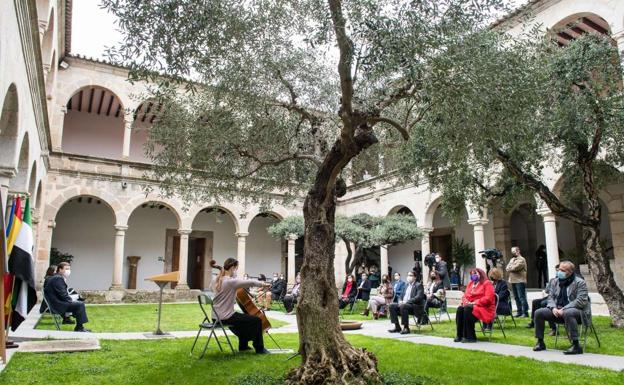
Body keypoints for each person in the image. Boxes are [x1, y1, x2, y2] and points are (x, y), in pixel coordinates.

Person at [210, 259, 271, 354]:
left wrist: (227, 273)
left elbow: (212, 288)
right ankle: (260, 349)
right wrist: (263, 284)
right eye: (236, 269)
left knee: (243, 322)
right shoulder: (230, 282)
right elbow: (251, 282)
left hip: (215, 317)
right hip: (226, 317)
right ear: (233, 268)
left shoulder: (216, 280)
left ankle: (243, 346)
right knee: (257, 320)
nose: (236, 271)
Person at [533, 261, 590, 355]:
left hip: (577, 312)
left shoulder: (580, 282)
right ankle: (540, 342)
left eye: (562, 270)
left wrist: (564, 309)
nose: (559, 271)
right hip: (557, 310)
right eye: (559, 269)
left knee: (568, 312)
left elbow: (581, 300)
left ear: (570, 272)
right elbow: (550, 297)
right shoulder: (554, 281)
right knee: (539, 312)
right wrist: (553, 308)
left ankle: (576, 345)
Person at [43, 262, 91, 332]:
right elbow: (63, 295)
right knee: (80, 304)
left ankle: (79, 326)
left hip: (56, 303)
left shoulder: (57, 277)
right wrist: (71, 300)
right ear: (60, 269)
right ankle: (79, 328)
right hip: (57, 305)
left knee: (78, 303)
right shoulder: (58, 279)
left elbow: (62, 294)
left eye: (69, 269)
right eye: (66, 269)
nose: (68, 271)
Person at [454, 268, 495, 343]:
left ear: (481, 274)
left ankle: (470, 337)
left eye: (475, 273)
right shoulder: (471, 283)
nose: (473, 275)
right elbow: (465, 296)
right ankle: (460, 335)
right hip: (471, 307)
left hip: (484, 308)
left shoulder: (487, 283)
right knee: (460, 309)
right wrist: (466, 302)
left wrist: (475, 303)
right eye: (472, 274)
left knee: (467, 308)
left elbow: (488, 298)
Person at [527, 264, 559, 335]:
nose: (557, 272)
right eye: (556, 271)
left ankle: (554, 328)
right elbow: (547, 291)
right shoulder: (553, 280)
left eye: (558, 270)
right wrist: (549, 285)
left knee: (544, 303)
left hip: (555, 299)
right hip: (549, 296)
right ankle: (533, 321)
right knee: (535, 302)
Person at [506, 246, 529, 317]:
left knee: (521, 297)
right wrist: (511, 267)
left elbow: (516, 268)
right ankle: (519, 312)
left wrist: (511, 267)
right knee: (516, 297)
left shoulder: (522, 259)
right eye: (512, 251)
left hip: (520, 280)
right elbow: (507, 268)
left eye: (514, 251)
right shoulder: (512, 259)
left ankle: (525, 312)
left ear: (518, 251)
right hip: (513, 281)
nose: (513, 252)